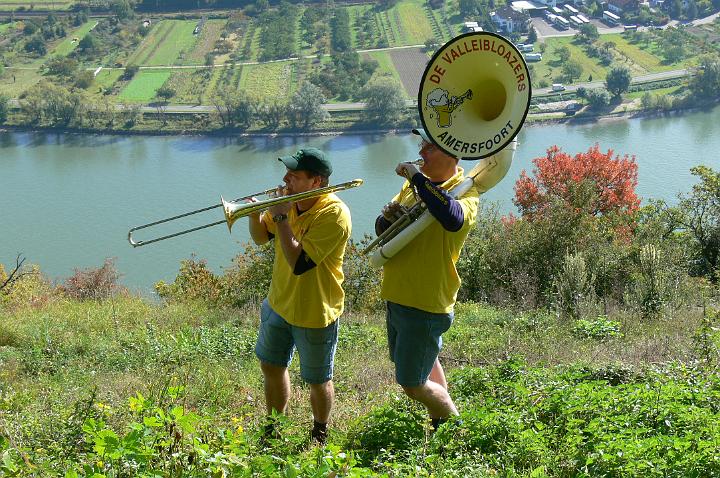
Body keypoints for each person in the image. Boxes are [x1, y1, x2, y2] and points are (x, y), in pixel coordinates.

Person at [374, 128, 480, 430]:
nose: (421, 154)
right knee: (424, 361)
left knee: (410, 382)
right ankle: (441, 424)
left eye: (429, 148)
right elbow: (384, 228)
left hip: (425, 300)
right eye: (421, 147)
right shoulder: (411, 188)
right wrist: (387, 218)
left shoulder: (465, 190)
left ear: (451, 153)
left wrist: (417, 178)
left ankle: (452, 425)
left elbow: (452, 217)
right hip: (397, 293)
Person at [248, 147, 352, 445]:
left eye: (294, 176)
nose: (285, 179)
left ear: (316, 182)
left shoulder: (335, 214)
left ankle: (319, 430)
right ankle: (273, 425)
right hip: (278, 303)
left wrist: (280, 218)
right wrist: (256, 217)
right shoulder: (289, 203)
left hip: (314, 311)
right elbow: (260, 239)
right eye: (287, 174)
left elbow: (299, 264)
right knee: (271, 365)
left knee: (318, 380)